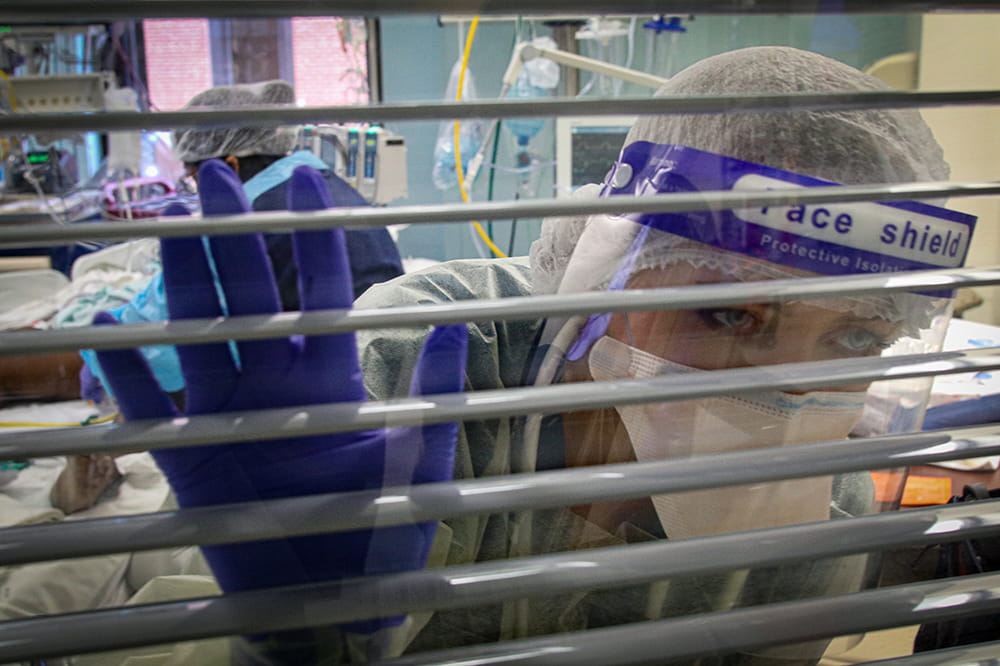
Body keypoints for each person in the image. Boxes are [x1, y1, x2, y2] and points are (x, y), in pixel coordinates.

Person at [91, 47, 975, 665]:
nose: (778, 397)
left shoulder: (824, 495)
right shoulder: (434, 367)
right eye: (726, 314)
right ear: (608, 266)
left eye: (857, 338)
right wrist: (293, 639)